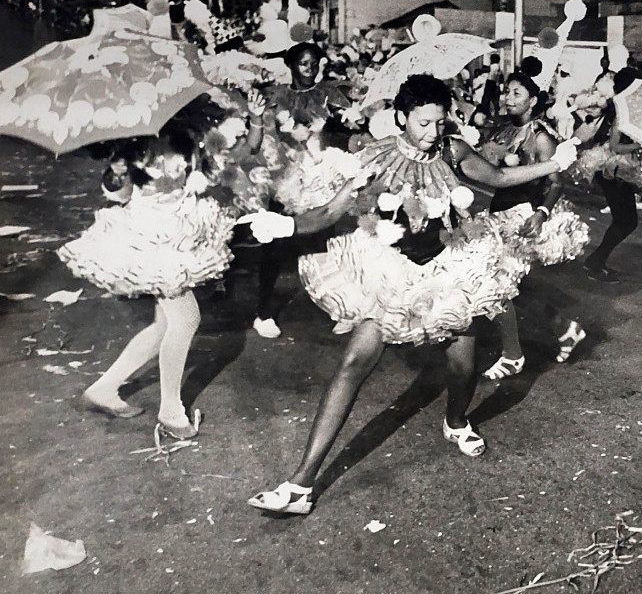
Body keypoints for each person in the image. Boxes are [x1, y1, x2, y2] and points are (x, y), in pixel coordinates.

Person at [246, 75, 576, 515]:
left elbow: (498, 176)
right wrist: (285, 225)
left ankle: (456, 421)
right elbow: (329, 211)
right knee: (354, 362)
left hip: (451, 267)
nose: (432, 132)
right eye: (423, 123)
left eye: (439, 122)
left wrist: (553, 164)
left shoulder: (452, 149)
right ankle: (300, 485)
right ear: (401, 117)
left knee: (462, 365)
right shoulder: (375, 156)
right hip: (391, 273)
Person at [62, 109, 238, 441]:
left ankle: (103, 389)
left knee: (163, 326)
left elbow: (209, 176)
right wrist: (117, 174)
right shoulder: (134, 144)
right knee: (186, 319)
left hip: (182, 231)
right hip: (152, 240)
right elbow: (119, 193)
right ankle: (170, 410)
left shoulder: (187, 134)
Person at [475, 70, 589, 379]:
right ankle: (566, 329)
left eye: (516, 93)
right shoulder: (503, 129)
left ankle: (512, 355)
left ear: (533, 100)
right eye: (507, 92)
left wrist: (541, 213)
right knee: (514, 288)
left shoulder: (540, 136)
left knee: (495, 283)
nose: (508, 98)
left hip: (521, 216)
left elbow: (556, 182)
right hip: (497, 211)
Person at [251, 42, 353, 339]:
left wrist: (327, 131)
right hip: (286, 179)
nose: (311, 69)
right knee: (274, 248)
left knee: (327, 245)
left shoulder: (330, 95)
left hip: (320, 177)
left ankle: (340, 306)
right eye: (304, 63)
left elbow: (347, 132)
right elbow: (258, 143)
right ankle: (263, 313)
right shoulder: (275, 97)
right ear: (291, 65)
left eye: (315, 64)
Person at [579, 68, 642, 282]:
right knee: (626, 221)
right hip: (613, 169)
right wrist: (640, 145)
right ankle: (595, 263)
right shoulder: (620, 110)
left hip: (617, 170)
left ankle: (596, 261)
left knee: (625, 220)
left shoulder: (622, 106)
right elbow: (615, 146)